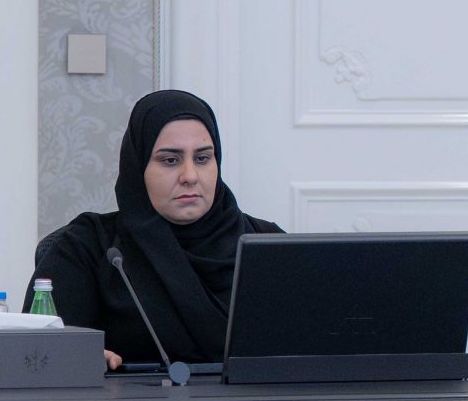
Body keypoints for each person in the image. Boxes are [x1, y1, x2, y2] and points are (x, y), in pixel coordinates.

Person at [34, 90, 284, 370]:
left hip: (260, 400)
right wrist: (76, 357)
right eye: (170, 160)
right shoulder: (88, 247)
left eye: (202, 158)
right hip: (130, 399)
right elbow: (37, 357)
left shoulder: (267, 244)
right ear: (138, 166)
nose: (190, 176)